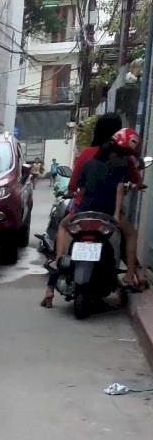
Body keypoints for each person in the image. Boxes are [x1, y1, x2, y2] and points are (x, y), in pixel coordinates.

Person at [41, 126, 143, 306]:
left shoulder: (89, 160)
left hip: (84, 212)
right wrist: (116, 214)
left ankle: (57, 264)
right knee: (131, 234)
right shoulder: (123, 163)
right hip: (108, 213)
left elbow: (79, 190)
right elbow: (121, 188)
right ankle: (129, 275)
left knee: (63, 226)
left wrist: (75, 202)